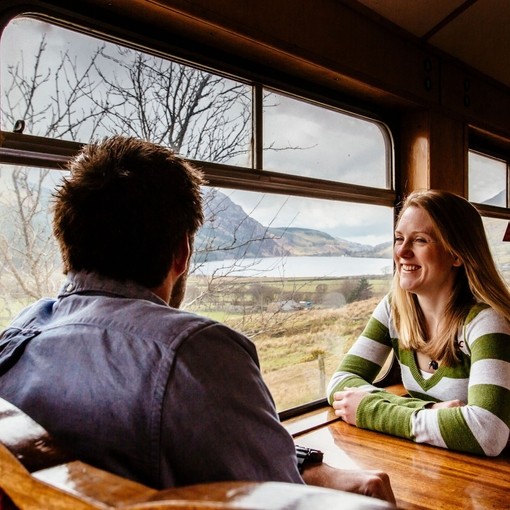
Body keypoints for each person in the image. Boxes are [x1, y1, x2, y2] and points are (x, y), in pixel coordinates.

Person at [0, 136, 395, 503]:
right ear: (183, 253)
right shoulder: (193, 353)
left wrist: (306, 462)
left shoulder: (19, 336)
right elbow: (284, 502)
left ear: (67, 242)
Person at [328, 189, 510, 457]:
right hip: (440, 464)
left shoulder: (487, 321)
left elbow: (487, 432)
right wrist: (425, 411)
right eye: (399, 238)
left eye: (420, 240)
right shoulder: (394, 308)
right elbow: (340, 381)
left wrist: (371, 410)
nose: (401, 251)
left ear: (456, 255)